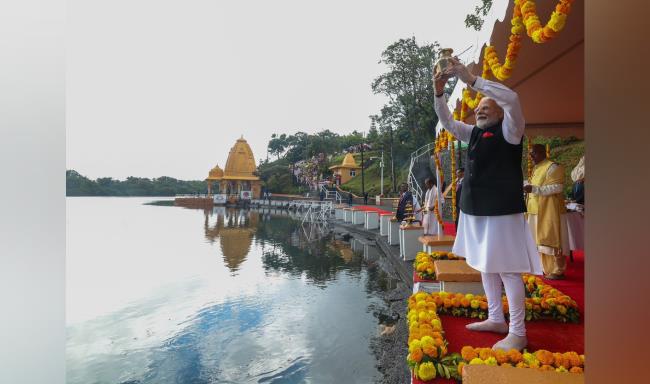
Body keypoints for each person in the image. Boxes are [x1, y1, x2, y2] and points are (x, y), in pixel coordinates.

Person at [433, 58, 542, 352]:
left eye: (486, 108)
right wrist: (439, 93)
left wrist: (471, 79)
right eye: (477, 108)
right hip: (475, 209)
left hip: (502, 211)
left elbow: (513, 99)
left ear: (500, 113)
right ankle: (496, 317)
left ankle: (518, 332)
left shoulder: (511, 129)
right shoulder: (474, 133)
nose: (479, 111)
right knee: (485, 265)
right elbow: (447, 122)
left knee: (508, 270)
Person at [524, 144, 570, 280]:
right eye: (530, 153)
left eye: (534, 153)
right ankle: (544, 267)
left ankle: (558, 269)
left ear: (543, 152)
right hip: (534, 210)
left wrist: (534, 189)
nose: (531, 156)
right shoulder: (537, 168)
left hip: (550, 212)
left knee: (552, 239)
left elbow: (557, 187)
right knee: (538, 242)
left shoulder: (553, 167)